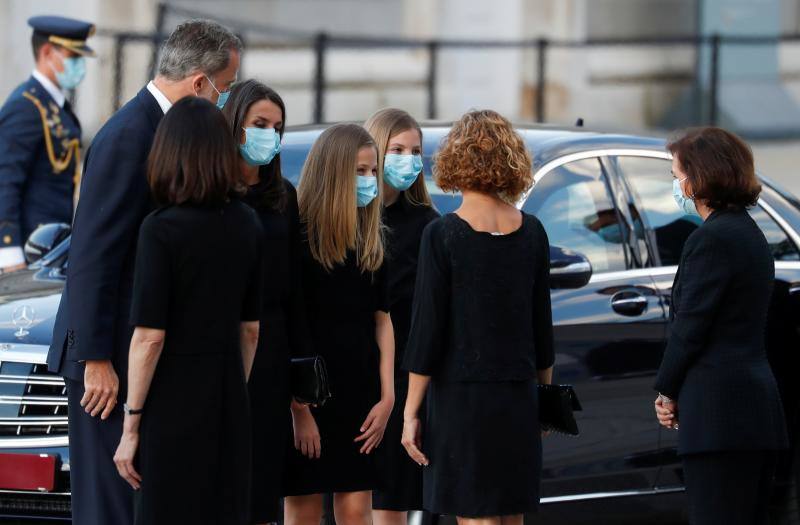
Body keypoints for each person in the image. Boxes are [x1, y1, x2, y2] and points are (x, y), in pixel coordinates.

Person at [46, 20, 242, 525]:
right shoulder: (130, 136)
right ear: (200, 84)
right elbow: (93, 255)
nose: (225, 101)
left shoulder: (159, 131)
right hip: (106, 360)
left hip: (135, 358)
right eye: (226, 88)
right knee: (109, 507)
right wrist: (94, 358)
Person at [112, 96, 262, 525]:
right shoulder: (246, 222)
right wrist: (234, 387)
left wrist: (132, 423)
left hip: (169, 404)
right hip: (228, 396)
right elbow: (250, 329)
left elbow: (149, 337)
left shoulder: (160, 229)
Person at [401, 110, 554, 524]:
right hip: (519, 393)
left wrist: (411, 411)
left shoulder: (443, 234)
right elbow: (543, 328)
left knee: (475, 515)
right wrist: (545, 400)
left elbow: (427, 331)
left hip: (462, 399)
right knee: (511, 514)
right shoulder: (534, 231)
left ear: (455, 160)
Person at [653, 127, 789, 525]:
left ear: (699, 178)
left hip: (720, 416)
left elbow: (691, 327)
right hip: (752, 412)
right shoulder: (748, 232)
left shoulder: (712, 240)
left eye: (677, 174)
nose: (675, 184)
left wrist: (666, 388)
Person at [283, 123, 395, 525]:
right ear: (333, 173)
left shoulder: (370, 240)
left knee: (355, 508)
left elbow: (382, 321)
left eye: (372, 172)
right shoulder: (298, 240)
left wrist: (387, 397)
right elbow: (291, 325)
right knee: (305, 506)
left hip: (360, 394)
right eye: (358, 172)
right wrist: (300, 409)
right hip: (310, 395)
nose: (368, 182)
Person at [222, 79, 312, 525]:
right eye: (260, 124)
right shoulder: (211, 192)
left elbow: (295, 289)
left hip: (272, 352)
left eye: (277, 127)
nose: (269, 136)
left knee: (261, 487)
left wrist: (302, 391)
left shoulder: (283, 196)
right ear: (235, 126)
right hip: (220, 346)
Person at [364, 108, 439, 525]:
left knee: (391, 497)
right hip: (354, 369)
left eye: (415, 151)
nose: (408, 160)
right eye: (396, 149)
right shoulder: (353, 216)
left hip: (405, 374)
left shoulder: (428, 224)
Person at [0, 16, 95, 273]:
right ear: (46, 52)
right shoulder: (26, 106)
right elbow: (5, 181)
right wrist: (8, 251)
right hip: (28, 249)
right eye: (72, 56)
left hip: (50, 248)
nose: (80, 65)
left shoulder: (54, 105)